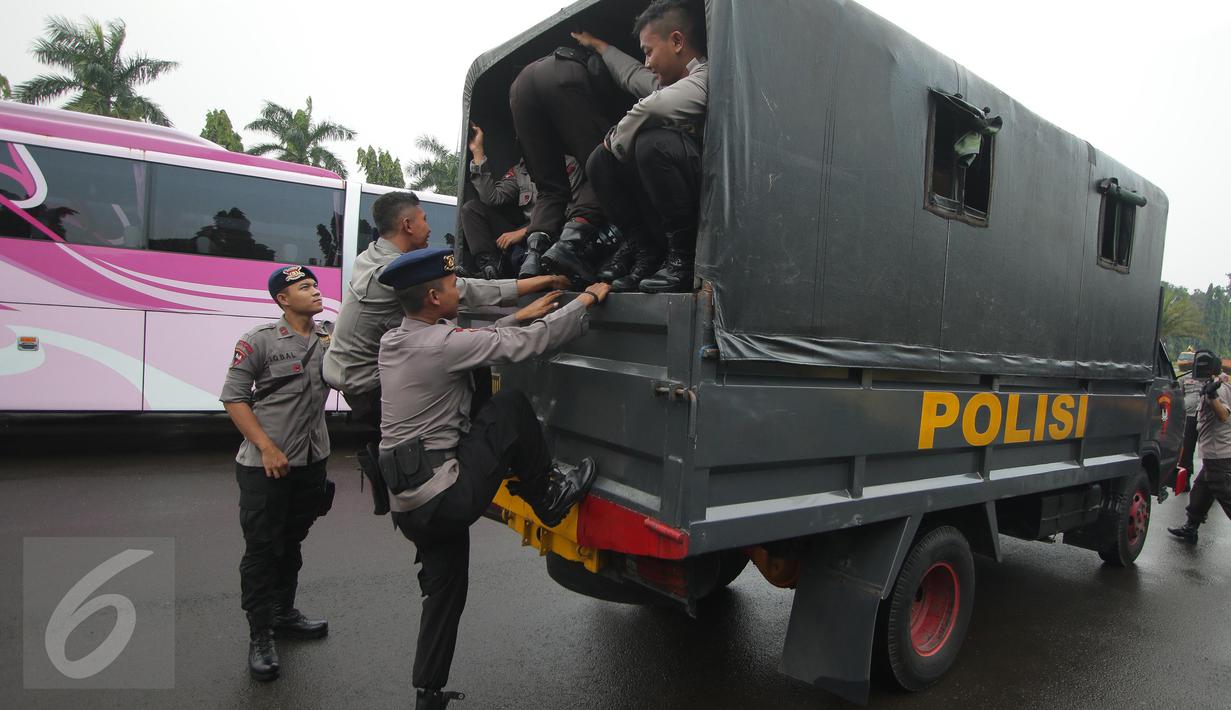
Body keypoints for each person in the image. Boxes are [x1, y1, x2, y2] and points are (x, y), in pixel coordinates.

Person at [375, 247, 609, 709]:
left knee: (445, 592)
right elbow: (525, 346)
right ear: (433, 297)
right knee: (511, 409)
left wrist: (520, 314)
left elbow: (470, 341)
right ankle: (549, 497)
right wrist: (587, 301)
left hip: (410, 502)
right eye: (449, 286)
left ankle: (429, 693)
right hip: (445, 495)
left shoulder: (397, 340)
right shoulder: (442, 345)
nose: (456, 289)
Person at [323, 191, 567, 515]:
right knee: (469, 377)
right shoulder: (391, 275)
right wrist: (543, 280)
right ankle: (481, 467)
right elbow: (471, 292)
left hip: (354, 379)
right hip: (367, 386)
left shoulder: (371, 256)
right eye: (424, 219)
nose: (428, 226)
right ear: (407, 224)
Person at [220, 265, 335, 681]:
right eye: (304, 287)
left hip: (310, 461)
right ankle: (261, 634)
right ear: (283, 300)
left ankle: (284, 613)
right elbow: (234, 399)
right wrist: (266, 447)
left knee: (291, 541)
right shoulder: (259, 342)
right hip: (264, 466)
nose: (315, 291)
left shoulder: (328, 338)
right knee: (263, 550)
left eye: (315, 284)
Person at [574, 0, 708, 293]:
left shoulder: (706, 80)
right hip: (668, 207)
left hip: (707, 213)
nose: (647, 61)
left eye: (649, 51)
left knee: (651, 144)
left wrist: (616, 140)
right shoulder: (667, 84)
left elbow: (652, 108)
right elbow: (632, 74)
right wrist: (599, 46)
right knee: (599, 161)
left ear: (676, 41)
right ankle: (647, 253)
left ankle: (683, 262)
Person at [508, 41, 617, 276]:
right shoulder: (599, 69)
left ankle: (533, 257)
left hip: (519, 88)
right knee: (605, 169)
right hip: (561, 75)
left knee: (550, 188)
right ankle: (569, 245)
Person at [461, 122, 581, 279]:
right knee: (471, 209)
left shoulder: (569, 165)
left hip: (553, 231)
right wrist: (477, 151)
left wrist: (524, 232)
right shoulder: (520, 170)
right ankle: (489, 269)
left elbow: (568, 211)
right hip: (525, 233)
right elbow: (491, 198)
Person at [1168, 350, 1231, 544]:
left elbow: (1223, 416)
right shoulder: (1215, 384)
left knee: (1226, 495)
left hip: (1218, 455)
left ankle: (1191, 526)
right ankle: (1191, 527)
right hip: (1216, 453)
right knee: (1201, 491)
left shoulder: (1217, 388)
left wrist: (1211, 397)